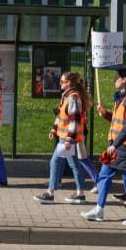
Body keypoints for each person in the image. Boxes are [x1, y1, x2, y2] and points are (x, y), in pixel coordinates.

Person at [80, 66, 126, 227]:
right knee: (104, 176)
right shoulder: (123, 98)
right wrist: (106, 114)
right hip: (117, 144)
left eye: (116, 78)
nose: (113, 81)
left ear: (124, 80)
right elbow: (120, 122)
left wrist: (115, 144)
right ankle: (99, 209)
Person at [33, 71, 92, 204]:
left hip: (68, 138)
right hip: (66, 137)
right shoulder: (67, 96)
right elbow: (61, 116)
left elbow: (75, 120)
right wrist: (54, 129)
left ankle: (50, 193)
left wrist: (69, 139)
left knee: (55, 162)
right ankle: (80, 194)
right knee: (74, 164)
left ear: (69, 83)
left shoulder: (73, 98)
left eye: (62, 81)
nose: (60, 83)